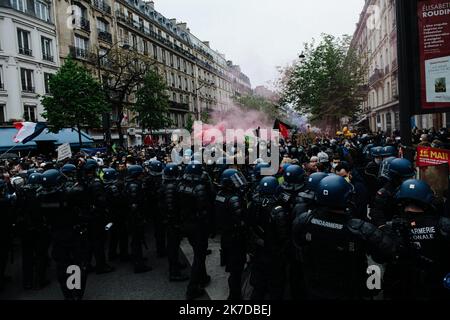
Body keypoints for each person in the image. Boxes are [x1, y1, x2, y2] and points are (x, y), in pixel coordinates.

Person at [292, 175, 395, 300]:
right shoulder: (360, 228)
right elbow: (387, 252)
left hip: (316, 285)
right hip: (349, 288)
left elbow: (298, 243)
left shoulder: (304, 219)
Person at [383, 179, 450, 299]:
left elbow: (380, 256)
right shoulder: (443, 224)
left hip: (401, 288)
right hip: (436, 288)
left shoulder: (391, 227)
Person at [248, 176, 290, 300]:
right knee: (276, 286)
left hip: (257, 249)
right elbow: (284, 236)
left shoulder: (253, 203)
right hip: (273, 253)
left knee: (258, 284)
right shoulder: (278, 210)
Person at [177, 161, 214, 300]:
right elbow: (204, 209)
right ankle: (192, 288)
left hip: (185, 223)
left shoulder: (180, 185)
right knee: (199, 256)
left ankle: (203, 277)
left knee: (198, 252)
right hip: (198, 226)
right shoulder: (199, 188)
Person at [214, 169, 248, 300]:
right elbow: (240, 221)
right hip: (235, 237)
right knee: (236, 269)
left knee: (232, 264)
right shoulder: (234, 199)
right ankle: (234, 296)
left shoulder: (220, 195)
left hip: (225, 235)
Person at [160, 163, 188, 282]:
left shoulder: (166, 184)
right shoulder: (172, 187)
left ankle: (176, 264)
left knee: (174, 245)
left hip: (169, 220)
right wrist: (176, 221)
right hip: (172, 221)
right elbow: (171, 207)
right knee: (173, 245)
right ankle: (174, 272)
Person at [124, 165, 152, 273]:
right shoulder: (134, 186)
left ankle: (137, 258)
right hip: (135, 218)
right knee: (136, 240)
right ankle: (138, 264)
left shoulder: (132, 183)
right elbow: (134, 205)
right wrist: (140, 217)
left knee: (137, 240)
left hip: (134, 217)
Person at [371, 158, 415, 226]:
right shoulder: (384, 193)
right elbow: (377, 215)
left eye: (411, 177)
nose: (410, 180)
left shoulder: (410, 188)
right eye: (406, 178)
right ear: (396, 177)